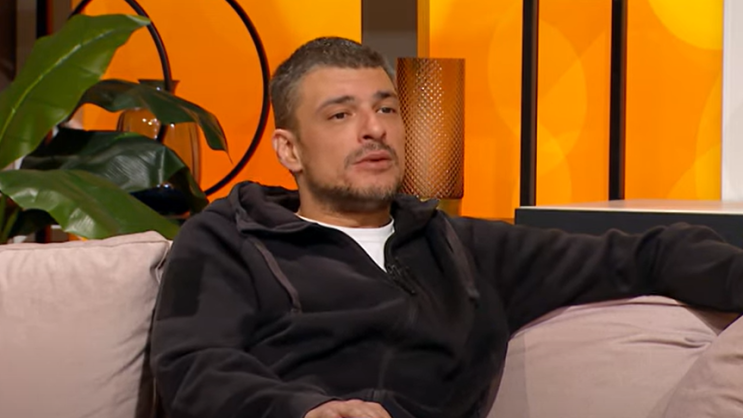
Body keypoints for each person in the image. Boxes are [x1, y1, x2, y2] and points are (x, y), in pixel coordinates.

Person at [149, 36, 743, 418]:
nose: (374, 129)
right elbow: (194, 365)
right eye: (340, 114)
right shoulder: (229, 236)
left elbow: (648, 255)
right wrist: (306, 411)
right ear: (289, 149)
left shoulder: (462, 247)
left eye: (386, 108)